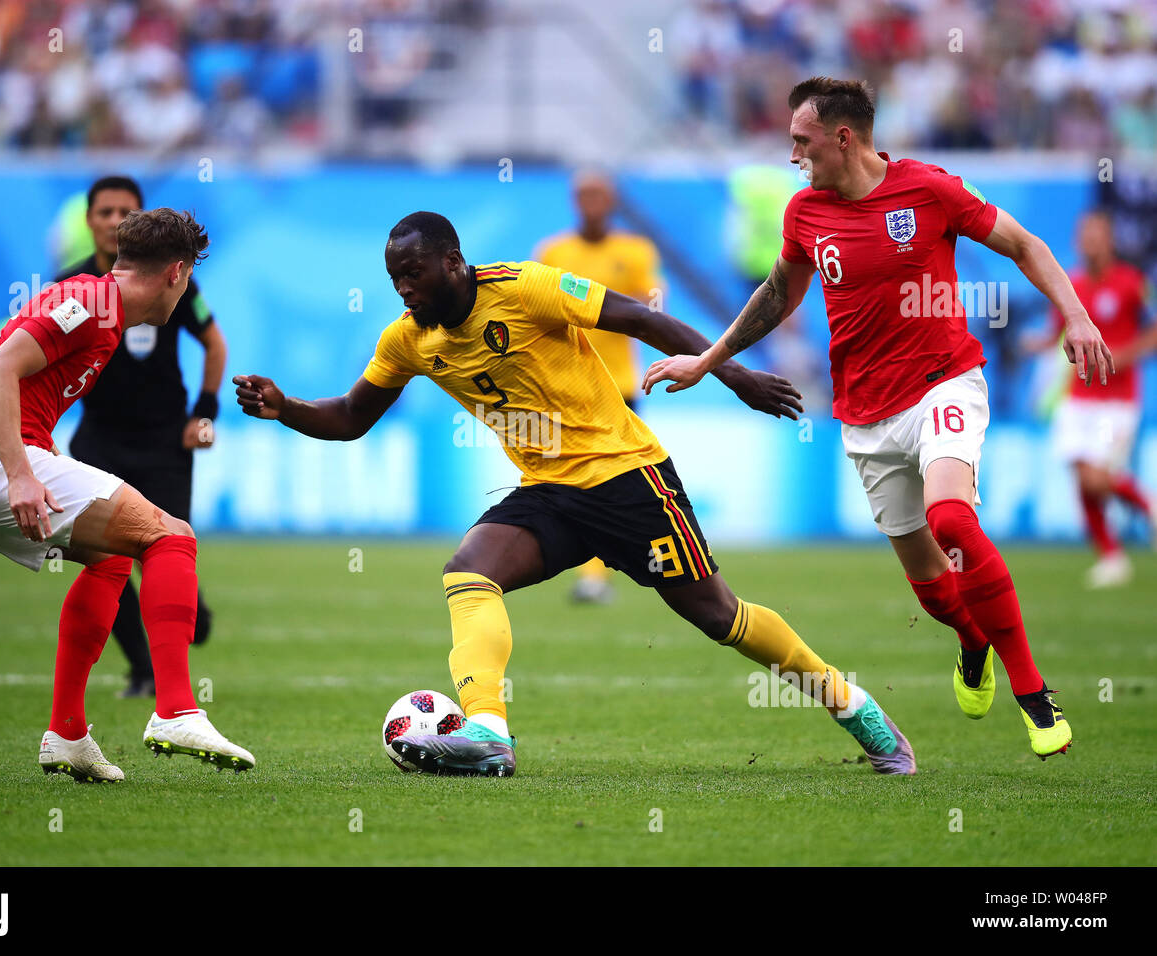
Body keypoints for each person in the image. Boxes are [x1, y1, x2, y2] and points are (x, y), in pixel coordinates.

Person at [235, 211, 916, 778]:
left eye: (412, 274)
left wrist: (728, 373)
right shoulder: (408, 341)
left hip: (627, 477)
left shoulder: (525, 288)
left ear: (452, 261)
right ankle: (488, 734)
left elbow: (639, 319)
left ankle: (854, 707)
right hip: (549, 493)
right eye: (394, 279)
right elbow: (351, 418)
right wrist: (284, 407)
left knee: (717, 616)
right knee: (468, 572)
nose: (403, 290)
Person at [643, 77, 1115, 760]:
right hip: (865, 415)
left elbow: (1024, 245)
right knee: (932, 590)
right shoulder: (805, 212)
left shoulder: (930, 190)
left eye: (802, 142)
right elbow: (779, 294)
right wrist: (708, 359)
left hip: (944, 382)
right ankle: (970, 640)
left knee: (953, 518)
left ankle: (1034, 695)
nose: (793, 155)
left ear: (844, 137)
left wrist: (1075, 314)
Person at [0, 208, 253, 782]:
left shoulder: (102, 310)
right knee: (172, 536)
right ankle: (176, 708)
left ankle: (68, 733)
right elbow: (0, 370)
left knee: (111, 558)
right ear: (177, 273)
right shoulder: (92, 303)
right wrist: (22, 474)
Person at [56, 175, 228, 698]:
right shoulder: (71, 286)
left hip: (163, 444)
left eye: (123, 212)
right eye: (104, 212)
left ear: (137, 220)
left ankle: (188, 617)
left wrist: (204, 414)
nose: (112, 221)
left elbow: (215, 345)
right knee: (99, 559)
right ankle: (143, 668)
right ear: (89, 221)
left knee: (166, 551)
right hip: (98, 444)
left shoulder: (178, 281)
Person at [535, 169, 664, 604]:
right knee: (575, 484)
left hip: (619, 386)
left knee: (620, 484)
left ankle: (624, 566)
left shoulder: (636, 251)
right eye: (583, 195)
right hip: (566, 388)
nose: (591, 203)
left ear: (612, 201)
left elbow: (653, 308)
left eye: (598, 195)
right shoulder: (553, 252)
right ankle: (591, 573)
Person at [1029, 210, 1157, 587]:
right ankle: (1112, 557)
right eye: (1085, 235)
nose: (1090, 241)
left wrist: (1123, 355)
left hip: (1116, 402)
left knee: (1099, 479)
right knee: (1083, 479)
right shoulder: (1072, 287)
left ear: (1110, 240)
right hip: (1078, 397)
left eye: (1097, 234)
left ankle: (1148, 505)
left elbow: (1153, 333)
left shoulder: (1133, 284)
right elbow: (1058, 335)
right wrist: (1035, 344)